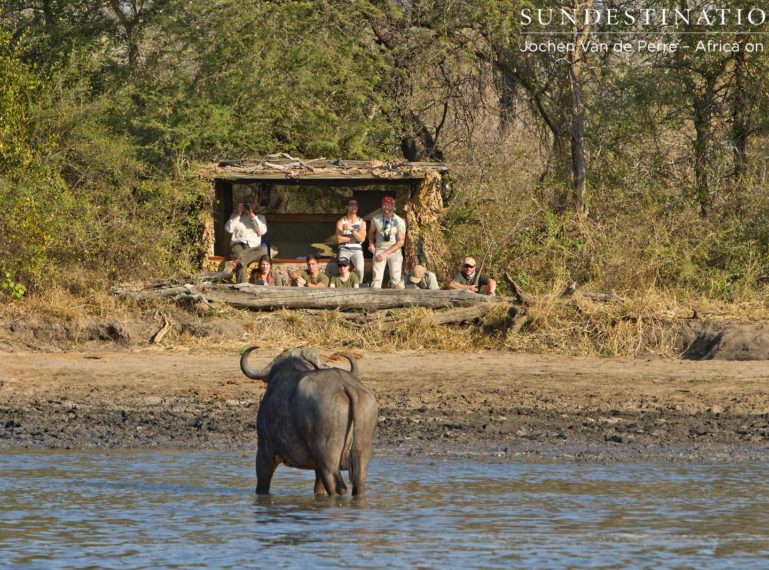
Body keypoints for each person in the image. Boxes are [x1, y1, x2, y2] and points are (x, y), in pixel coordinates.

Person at [224, 200, 268, 283]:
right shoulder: (235, 216)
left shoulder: (260, 217)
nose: (248, 206)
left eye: (251, 204)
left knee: (264, 250)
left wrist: (252, 215)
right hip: (238, 245)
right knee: (242, 264)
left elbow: (262, 231)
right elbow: (229, 229)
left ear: (255, 205)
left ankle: (238, 260)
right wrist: (238, 214)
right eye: (246, 204)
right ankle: (242, 286)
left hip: (254, 247)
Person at [367, 195, 406, 289]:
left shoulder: (399, 221)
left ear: (393, 206)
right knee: (376, 279)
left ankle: (397, 301)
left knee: (396, 279)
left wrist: (386, 253)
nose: (386, 207)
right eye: (384, 205)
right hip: (380, 249)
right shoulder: (375, 219)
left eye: (389, 205)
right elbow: (371, 232)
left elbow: (401, 242)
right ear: (381, 206)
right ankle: (374, 300)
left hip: (394, 251)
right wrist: (371, 243)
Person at [336, 198, 366, 283]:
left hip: (357, 250)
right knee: (342, 270)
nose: (354, 207)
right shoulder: (341, 221)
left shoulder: (361, 221)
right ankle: (344, 287)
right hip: (344, 249)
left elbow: (362, 238)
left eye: (356, 205)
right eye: (352, 204)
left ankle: (358, 286)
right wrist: (355, 237)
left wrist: (351, 230)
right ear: (347, 207)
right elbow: (339, 239)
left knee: (360, 269)